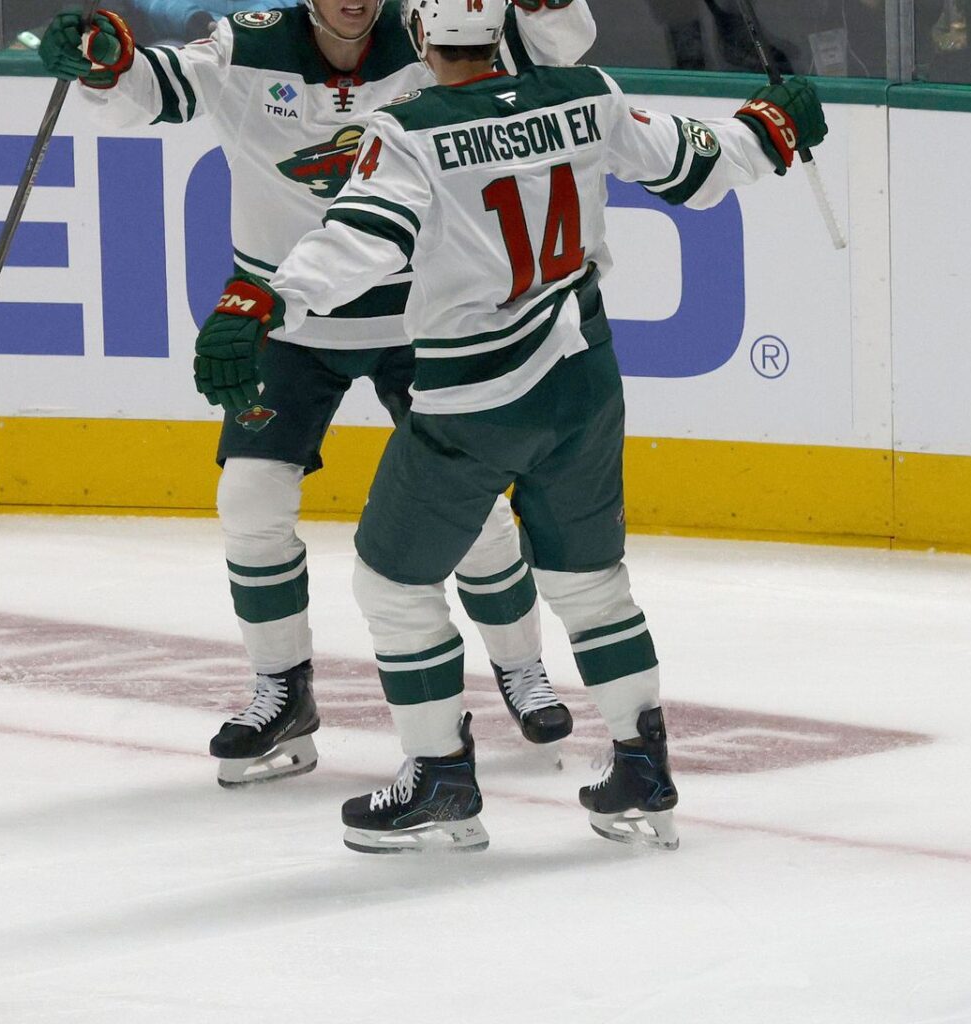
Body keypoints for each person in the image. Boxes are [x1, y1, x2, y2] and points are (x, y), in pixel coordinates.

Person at [186, 0, 827, 852]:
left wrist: (261, 297)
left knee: (392, 583)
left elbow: (359, 244)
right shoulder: (584, 95)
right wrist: (774, 129)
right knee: (592, 584)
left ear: (421, 38)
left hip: (475, 399)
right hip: (586, 385)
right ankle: (643, 767)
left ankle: (441, 776)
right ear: (500, 32)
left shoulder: (408, 130)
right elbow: (697, 168)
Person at [36, 0, 596, 789]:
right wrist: (109, 63)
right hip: (284, 315)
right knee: (250, 499)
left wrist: (552, 5)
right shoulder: (249, 41)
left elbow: (555, 52)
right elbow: (161, 87)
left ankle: (521, 668)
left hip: (418, 312)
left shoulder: (426, 34)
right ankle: (282, 691)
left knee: (471, 512)